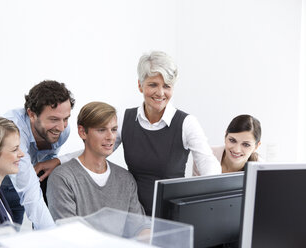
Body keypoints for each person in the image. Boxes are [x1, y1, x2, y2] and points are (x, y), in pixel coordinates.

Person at [0, 80, 75, 229]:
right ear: (32, 114)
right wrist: (54, 238)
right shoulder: (14, 129)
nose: (62, 127)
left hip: (11, 183)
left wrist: (58, 161)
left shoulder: (61, 130)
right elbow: (30, 192)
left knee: (10, 233)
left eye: (66, 119)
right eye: (54, 119)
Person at [119, 51, 221, 215]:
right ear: (140, 85)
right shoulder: (125, 118)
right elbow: (96, 150)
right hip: (133, 213)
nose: (160, 93)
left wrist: (212, 191)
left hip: (171, 216)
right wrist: (63, 160)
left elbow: (208, 163)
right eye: (153, 85)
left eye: (167, 86)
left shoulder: (186, 123)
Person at [47, 102, 145, 220]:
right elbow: (68, 231)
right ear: (82, 132)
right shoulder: (63, 178)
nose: (111, 137)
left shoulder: (125, 179)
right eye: (102, 130)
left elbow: (139, 226)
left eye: (114, 130)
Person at [193, 114, 262, 175]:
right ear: (225, 136)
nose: (236, 150)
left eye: (246, 144)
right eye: (232, 140)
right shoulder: (204, 155)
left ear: (256, 146)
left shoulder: (261, 170)